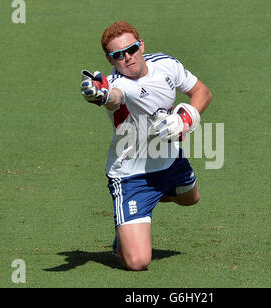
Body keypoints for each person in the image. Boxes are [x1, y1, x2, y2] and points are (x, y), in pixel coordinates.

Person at [80, 21, 212, 271]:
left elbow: (202, 92)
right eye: (117, 55)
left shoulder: (166, 65)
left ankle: (146, 207)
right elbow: (113, 97)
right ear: (110, 60)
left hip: (170, 160)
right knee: (138, 262)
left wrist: (185, 117)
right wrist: (101, 95)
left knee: (191, 198)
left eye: (131, 49)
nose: (126, 58)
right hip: (132, 175)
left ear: (141, 46)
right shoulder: (118, 84)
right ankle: (125, 235)